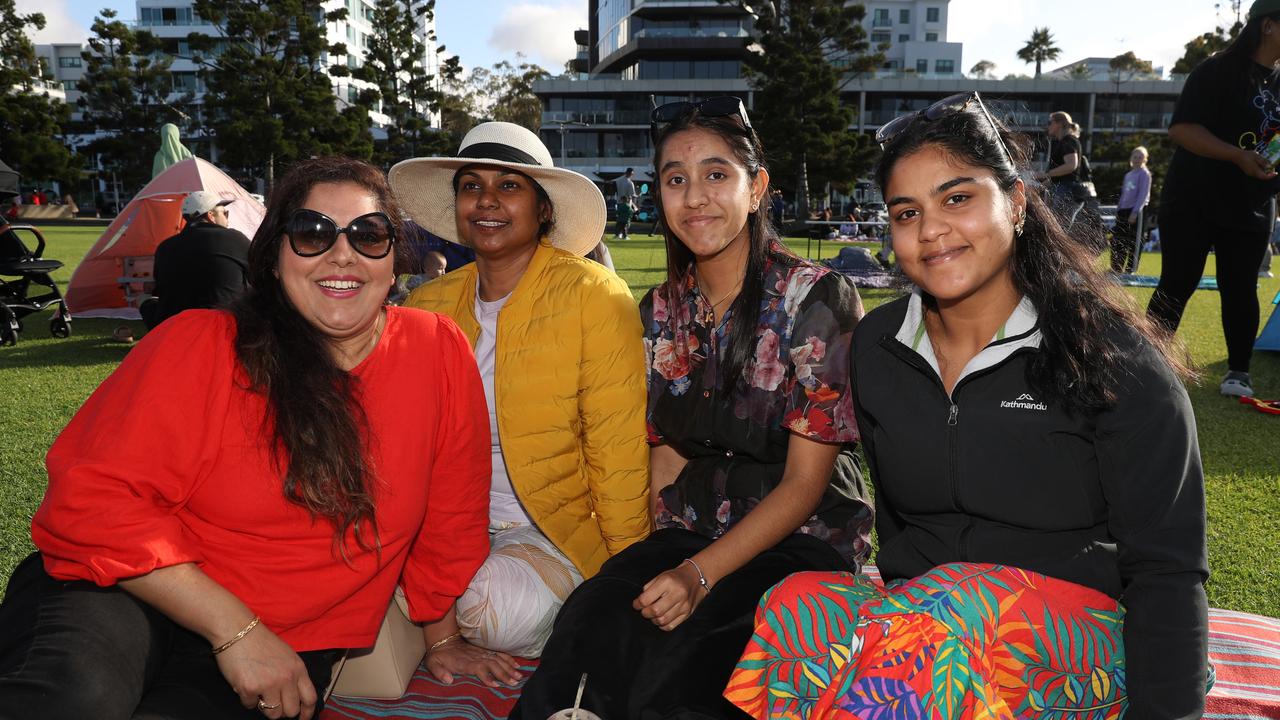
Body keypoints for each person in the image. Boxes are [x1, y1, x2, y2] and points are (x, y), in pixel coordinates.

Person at [726, 92, 1209, 720]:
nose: (931, 231)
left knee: (952, 612)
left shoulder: (1107, 356)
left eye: (958, 198)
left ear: (1016, 203)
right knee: (796, 604)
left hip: (1082, 636)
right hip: (932, 622)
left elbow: (1168, 572)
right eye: (906, 212)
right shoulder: (878, 347)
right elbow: (902, 531)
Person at [0, 156, 492, 720]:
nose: (342, 253)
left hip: (294, 639)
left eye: (368, 234)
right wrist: (237, 632)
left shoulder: (436, 349)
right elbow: (92, 501)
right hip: (125, 590)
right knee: (75, 698)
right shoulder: (201, 344)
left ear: (393, 259)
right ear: (275, 256)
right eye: (311, 233)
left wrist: (444, 638)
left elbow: (451, 513)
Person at [511, 96, 872, 719]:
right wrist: (653, 557)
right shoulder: (659, 310)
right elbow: (667, 453)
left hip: (799, 538)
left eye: (716, 174)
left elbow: (806, 484)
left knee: (688, 674)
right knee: (590, 626)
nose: (695, 196)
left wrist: (697, 576)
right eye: (676, 179)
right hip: (694, 524)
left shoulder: (816, 299)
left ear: (756, 188)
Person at [388, 121, 650, 680]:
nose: (486, 201)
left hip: (550, 529)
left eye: (509, 186)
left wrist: (629, 575)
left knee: (487, 610)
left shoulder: (593, 296)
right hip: (442, 526)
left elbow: (617, 449)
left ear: (543, 209)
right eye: (470, 186)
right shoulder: (427, 306)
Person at [1148, 0, 1280, 398]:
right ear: (1269, 25)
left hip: (1252, 203)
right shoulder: (1217, 69)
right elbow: (1183, 129)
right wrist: (1237, 155)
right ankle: (1146, 362)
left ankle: (1238, 371)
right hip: (1194, 198)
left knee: (1241, 287)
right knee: (1178, 281)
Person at [141, 190, 250, 329]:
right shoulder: (234, 239)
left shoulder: (165, 247)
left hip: (175, 326)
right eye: (225, 213)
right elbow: (258, 275)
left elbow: (160, 289)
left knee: (143, 299)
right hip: (223, 324)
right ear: (211, 216)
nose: (227, 218)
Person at [1111, 145, 1153, 273]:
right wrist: (1118, 210)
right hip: (1123, 210)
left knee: (1134, 241)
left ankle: (1131, 269)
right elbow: (1124, 194)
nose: (1137, 159)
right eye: (1135, 156)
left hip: (1136, 211)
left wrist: (1135, 213)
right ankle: (1116, 268)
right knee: (1118, 240)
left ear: (1145, 159)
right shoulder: (1128, 175)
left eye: (1140, 157)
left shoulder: (1145, 174)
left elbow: (1143, 194)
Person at [614, 167, 638, 239]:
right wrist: (637, 196)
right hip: (627, 204)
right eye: (632, 174)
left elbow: (616, 191)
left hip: (619, 202)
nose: (632, 175)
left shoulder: (618, 181)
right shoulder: (630, 183)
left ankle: (618, 234)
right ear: (630, 173)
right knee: (626, 221)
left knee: (620, 220)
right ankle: (624, 235)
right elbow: (632, 194)